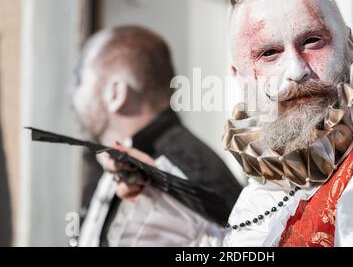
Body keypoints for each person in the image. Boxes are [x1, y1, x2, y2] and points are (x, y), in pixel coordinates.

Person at [112, 0, 353, 247]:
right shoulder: (282, 168)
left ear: (349, 44)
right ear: (239, 76)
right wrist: (163, 193)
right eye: (269, 53)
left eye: (313, 41)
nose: (296, 72)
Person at [72, 25, 242, 246]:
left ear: (115, 93)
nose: (72, 95)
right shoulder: (109, 158)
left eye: (79, 81)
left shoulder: (186, 173)